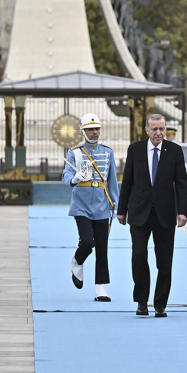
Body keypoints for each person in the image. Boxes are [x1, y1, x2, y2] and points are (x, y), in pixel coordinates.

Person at [117, 114, 187, 318]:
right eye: (155, 129)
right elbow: (128, 181)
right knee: (139, 255)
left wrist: (182, 211)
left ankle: (160, 304)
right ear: (147, 130)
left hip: (165, 214)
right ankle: (141, 301)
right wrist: (122, 210)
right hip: (139, 212)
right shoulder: (135, 149)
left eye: (162, 129)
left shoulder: (174, 151)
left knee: (164, 260)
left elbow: (182, 183)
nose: (159, 133)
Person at [62, 114, 119, 301]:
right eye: (90, 129)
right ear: (83, 131)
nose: (95, 132)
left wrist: (115, 204)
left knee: (102, 247)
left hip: (102, 204)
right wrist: (74, 179)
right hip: (82, 205)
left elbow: (112, 181)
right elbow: (66, 174)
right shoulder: (75, 152)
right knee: (87, 241)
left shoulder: (108, 152)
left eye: (97, 129)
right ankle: (77, 261)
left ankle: (100, 287)